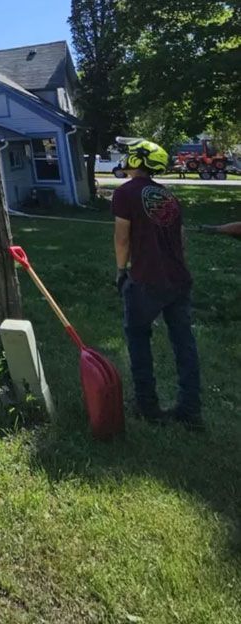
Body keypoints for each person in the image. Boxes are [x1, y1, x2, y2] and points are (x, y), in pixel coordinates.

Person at [112, 139, 202, 429]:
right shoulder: (168, 195)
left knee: (138, 340)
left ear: (138, 160)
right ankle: (190, 410)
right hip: (178, 279)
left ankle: (147, 407)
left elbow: (122, 238)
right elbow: (182, 241)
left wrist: (120, 270)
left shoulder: (125, 193)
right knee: (184, 343)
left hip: (146, 280)